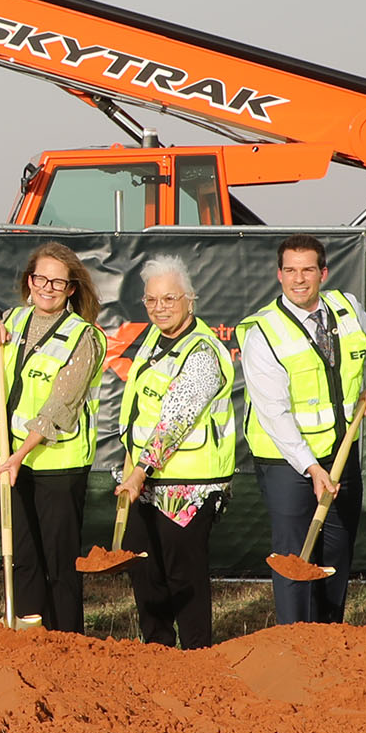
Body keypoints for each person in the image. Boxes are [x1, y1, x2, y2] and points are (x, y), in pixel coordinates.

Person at [239, 236, 366, 626]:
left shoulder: (348, 309)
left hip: (340, 450)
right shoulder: (263, 333)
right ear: (279, 275)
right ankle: (294, 641)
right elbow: (274, 413)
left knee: (337, 549)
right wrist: (311, 468)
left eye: (307, 270)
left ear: (323, 273)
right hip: (288, 461)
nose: (298, 280)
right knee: (296, 555)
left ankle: (328, 635)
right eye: (290, 271)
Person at [0, 242, 99, 634]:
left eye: (58, 282)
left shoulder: (85, 337)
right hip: (7, 460)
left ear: (71, 289)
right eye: (40, 278)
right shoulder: (11, 319)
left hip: (54, 466)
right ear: (29, 281)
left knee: (59, 561)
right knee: (22, 555)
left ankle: (66, 641)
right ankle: (29, 635)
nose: (47, 287)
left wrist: (19, 455)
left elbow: (60, 407)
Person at [115, 258, 237, 650]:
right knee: (147, 573)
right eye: (151, 299)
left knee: (184, 578)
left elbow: (175, 421)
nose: (159, 306)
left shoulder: (202, 352)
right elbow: (140, 412)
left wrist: (140, 470)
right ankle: (157, 652)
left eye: (169, 298)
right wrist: (130, 463)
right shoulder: (154, 340)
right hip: (146, 480)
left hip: (188, 485)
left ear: (190, 300)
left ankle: (197, 655)